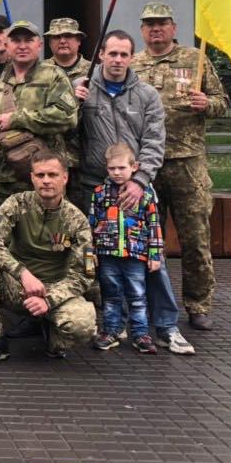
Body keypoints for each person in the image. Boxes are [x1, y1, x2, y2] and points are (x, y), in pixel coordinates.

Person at [72, 29, 193, 355]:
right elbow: (66, 133)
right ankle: (116, 325)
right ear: (101, 55)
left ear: (131, 56)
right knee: (105, 259)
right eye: (112, 53)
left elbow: (155, 142)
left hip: (135, 190)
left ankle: (166, 326)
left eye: (124, 54)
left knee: (150, 259)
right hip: (96, 187)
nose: (117, 60)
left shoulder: (146, 95)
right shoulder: (84, 89)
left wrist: (139, 182)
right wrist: (71, 102)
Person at [131, 1, 228, 332]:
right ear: (142, 31)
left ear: (174, 28)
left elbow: (222, 101)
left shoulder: (195, 60)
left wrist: (208, 103)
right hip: (147, 165)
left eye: (162, 23)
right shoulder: (133, 65)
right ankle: (148, 303)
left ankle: (198, 305)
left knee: (195, 239)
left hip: (187, 163)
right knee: (144, 240)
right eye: (149, 24)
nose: (155, 29)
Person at [0, 151, 94, 363]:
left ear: (65, 178)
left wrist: (49, 299)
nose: (46, 180)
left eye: (52, 175)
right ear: (32, 177)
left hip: (55, 290)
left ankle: (49, 329)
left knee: (82, 324)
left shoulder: (78, 221)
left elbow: (84, 275)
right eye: (40, 175)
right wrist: (23, 273)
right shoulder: (17, 204)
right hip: (18, 286)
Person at [0, 20, 77, 222]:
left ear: (39, 45)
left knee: (48, 242)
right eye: (16, 40)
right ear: (7, 45)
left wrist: (18, 119)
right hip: (5, 184)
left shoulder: (53, 76)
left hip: (46, 180)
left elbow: (67, 117)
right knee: (6, 243)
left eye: (28, 40)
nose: (22, 46)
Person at [89, 142, 163, 355]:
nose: (117, 173)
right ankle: (111, 330)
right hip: (108, 253)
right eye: (112, 168)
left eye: (122, 168)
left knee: (137, 295)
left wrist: (154, 253)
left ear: (135, 167)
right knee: (111, 294)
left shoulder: (145, 194)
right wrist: (91, 251)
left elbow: (154, 225)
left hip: (135, 253)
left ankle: (140, 333)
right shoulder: (100, 193)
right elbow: (92, 223)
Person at [47, 17, 91, 185]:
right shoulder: (39, 72)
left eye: (68, 36)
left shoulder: (96, 71)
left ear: (78, 41)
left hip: (84, 160)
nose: (63, 41)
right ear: (50, 42)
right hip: (49, 161)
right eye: (57, 37)